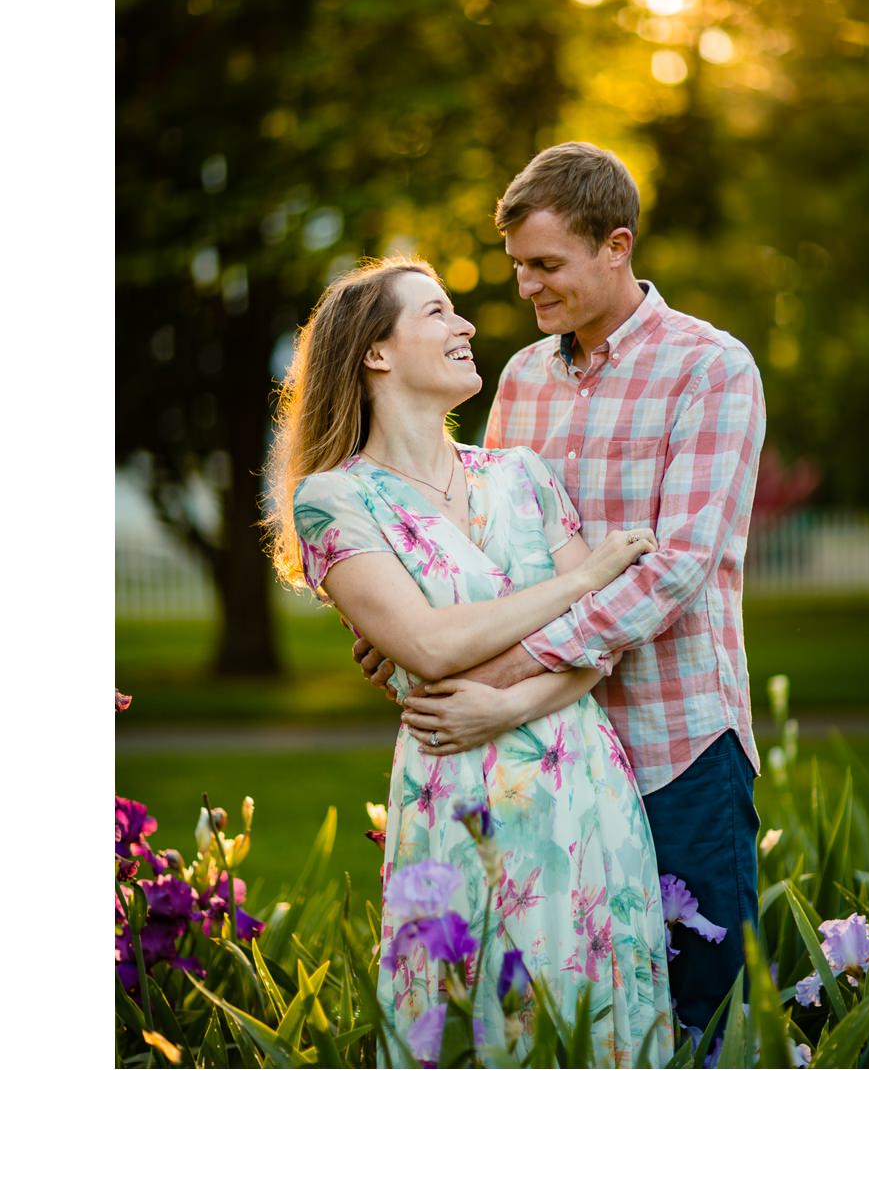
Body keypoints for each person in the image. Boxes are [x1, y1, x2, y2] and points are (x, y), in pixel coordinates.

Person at [358, 143, 767, 1044]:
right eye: (517, 269)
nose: (527, 290)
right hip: (541, 762)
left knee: (705, 1020)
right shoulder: (523, 379)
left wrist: (505, 670)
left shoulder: (712, 369)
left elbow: (677, 567)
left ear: (615, 246)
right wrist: (410, 623)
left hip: (674, 744)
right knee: (559, 1019)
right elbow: (486, 541)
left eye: (546, 266)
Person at [265, 258, 672, 1066]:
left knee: (596, 1031)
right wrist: (586, 577)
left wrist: (513, 703)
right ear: (376, 352)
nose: (468, 327)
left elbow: (603, 642)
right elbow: (427, 645)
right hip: (461, 797)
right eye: (439, 313)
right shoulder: (335, 500)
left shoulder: (523, 475)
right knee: (475, 1025)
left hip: (582, 787)